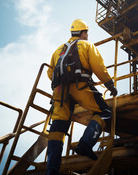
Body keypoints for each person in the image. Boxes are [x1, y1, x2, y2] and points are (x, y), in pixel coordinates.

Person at [46, 19, 117, 175]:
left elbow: (50, 72)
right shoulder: (86, 45)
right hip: (80, 87)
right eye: (87, 33)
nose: (87, 36)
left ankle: (51, 170)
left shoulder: (58, 50)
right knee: (104, 112)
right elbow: (98, 66)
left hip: (59, 92)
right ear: (83, 32)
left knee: (57, 128)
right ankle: (86, 143)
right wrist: (109, 85)